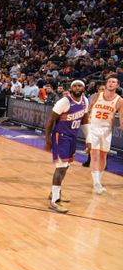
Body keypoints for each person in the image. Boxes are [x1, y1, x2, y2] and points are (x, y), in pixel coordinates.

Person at [44, 80, 89, 213]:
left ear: (83, 88)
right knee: (61, 167)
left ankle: (54, 193)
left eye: (79, 85)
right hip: (61, 137)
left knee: (67, 166)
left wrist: (89, 138)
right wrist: (47, 140)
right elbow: (51, 120)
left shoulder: (85, 101)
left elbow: (85, 119)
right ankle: (54, 201)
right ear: (70, 89)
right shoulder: (64, 102)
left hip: (72, 137)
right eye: (74, 86)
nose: (77, 87)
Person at [85, 75, 122, 194]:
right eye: (109, 81)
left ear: (117, 85)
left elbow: (121, 118)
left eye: (114, 82)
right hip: (93, 128)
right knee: (94, 155)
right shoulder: (95, 96)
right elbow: (87, 111)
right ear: (106, 84)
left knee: (103, 156)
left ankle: (98, 181)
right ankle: (96, 183)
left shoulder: (119, 100)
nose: (111, 83)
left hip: (106, 131)